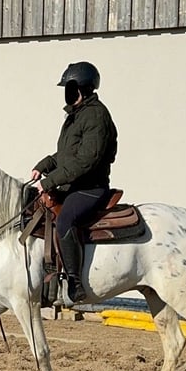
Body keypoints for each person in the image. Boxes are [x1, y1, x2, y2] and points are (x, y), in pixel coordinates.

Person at [31, 61, 118, 306]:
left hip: (90, 188)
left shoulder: (96, 116)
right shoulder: (76, 116)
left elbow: (85, 161)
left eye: (69, 89)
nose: (66, 95)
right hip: (73, 185)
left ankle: (75, 284)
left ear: (81, 89)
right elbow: (67, 155)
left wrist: (50, 182)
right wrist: (44, 165)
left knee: (66, 220)